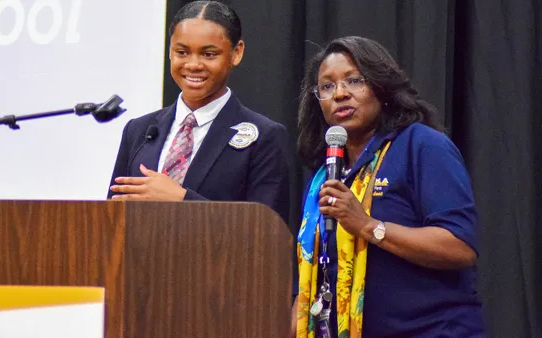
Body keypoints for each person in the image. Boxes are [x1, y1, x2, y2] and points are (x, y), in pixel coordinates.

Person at [291, 36, 486, 337]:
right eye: (327, 86)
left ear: (382, 88)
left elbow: (459, 246)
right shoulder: (324, 178)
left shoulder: (422, 146)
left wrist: (368, 226)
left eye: (354, 80)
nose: (340, 93)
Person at [107, 1, 289, 223]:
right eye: (182, 52)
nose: (193, 64)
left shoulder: (264, 137)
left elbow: (266, 232)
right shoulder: (138, 131)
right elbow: (111, 220)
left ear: (236, 53)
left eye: (208, 54)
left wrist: (183, 200)